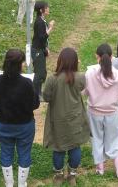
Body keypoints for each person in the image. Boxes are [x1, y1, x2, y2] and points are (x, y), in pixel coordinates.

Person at [0, 49, 39, 187]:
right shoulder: (27, 83)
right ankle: (22, 184)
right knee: (24, 153)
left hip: (4, 124)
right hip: (25, 125)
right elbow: (35, 104)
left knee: (6, 152)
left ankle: (9, 184)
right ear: (19, 64)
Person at [43, 48, 90, 186]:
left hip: (58, 119)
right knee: (75, 146)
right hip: (76, 117)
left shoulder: (52, 79)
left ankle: (58, 175)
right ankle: (72, 175)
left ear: (60, 61)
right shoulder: (81, 77)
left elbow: (46, 97)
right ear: (75, 61)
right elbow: (81, 88)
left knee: (59, 147)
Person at [84, 44, 118, 178]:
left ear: (97, 56)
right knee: (115, 140)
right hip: (112, 112)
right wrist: (114, 99)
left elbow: (84, 92)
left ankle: (100, 168)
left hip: (94, 112)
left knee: (97, 139)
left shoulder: (90, 73)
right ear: (111, 57)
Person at [31, 0, 55, 98]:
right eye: (46, 7)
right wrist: (50, 28)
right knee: (39, 73)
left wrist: (45, 49)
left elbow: (40, 39)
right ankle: (35, 94)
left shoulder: (41, 20)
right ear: (41, 10)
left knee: (42, 73)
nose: (48, 8)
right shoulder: (39, 22)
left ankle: (38, 92)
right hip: (37, 50)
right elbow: (42, 37)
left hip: (40, 49)